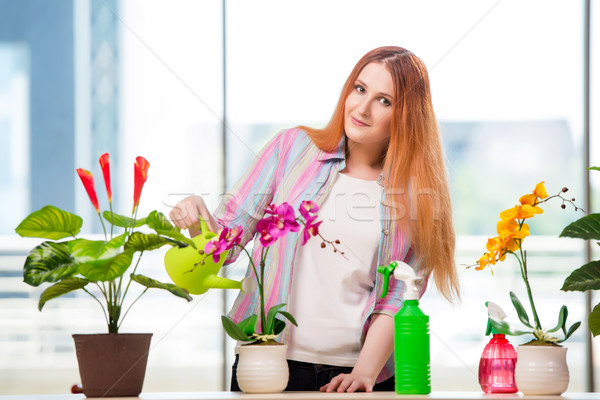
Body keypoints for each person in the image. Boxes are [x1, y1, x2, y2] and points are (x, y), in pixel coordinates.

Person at [169, 46, 460, 393]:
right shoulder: (291, 148)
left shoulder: (417, 195)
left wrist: (364, 373)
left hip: (358, 377)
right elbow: (226, 243)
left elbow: (399, 296)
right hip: (268, 364)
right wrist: (196, 218)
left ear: (407, 115)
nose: (362, 108)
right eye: (360, 88)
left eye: (385, 101)